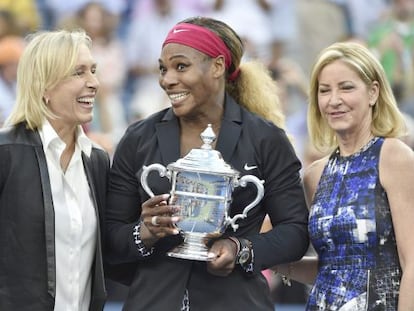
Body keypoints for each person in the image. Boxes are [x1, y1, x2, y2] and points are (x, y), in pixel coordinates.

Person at [105, 16, 309, 310]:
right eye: (163, 69)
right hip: (153, 301)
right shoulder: (138, 138)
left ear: (217, 66)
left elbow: (295, 231)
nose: (167, 79)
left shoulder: (266, 139)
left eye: (181, 66)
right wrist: (144, 232)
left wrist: (241, 249)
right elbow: (112, 236)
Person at [273, 41, 414, 310]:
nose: (334, 100)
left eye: (346, 87)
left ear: (373, 92)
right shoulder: (315, 174)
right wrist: (264, 257)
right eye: (324, 91)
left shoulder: (394, 156)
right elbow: (332, 271)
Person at [0, 29, 109, 310]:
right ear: (44, 86)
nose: (94, 83)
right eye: (79, 72)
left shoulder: (96, 159)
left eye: (93, 70)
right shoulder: (5, 152)